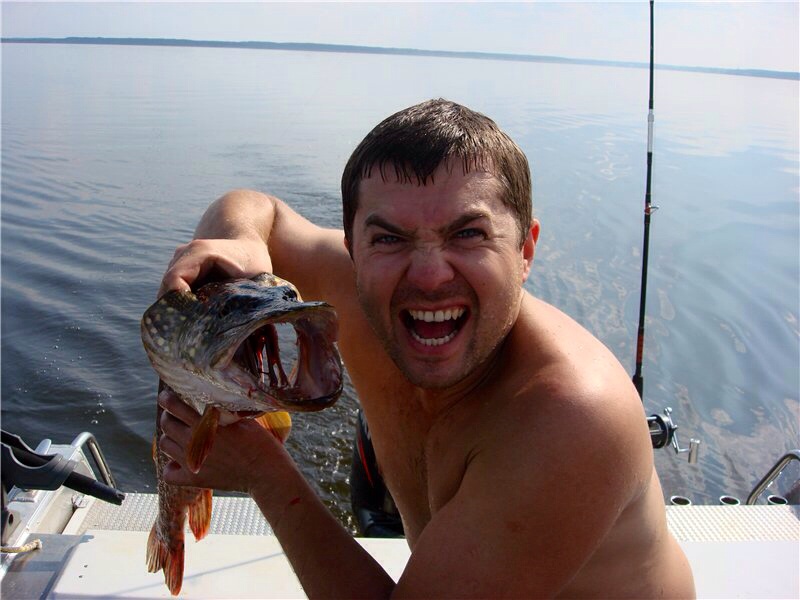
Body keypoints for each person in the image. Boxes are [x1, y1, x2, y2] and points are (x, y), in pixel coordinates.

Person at [157, 98, 695, 598]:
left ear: (526, 250)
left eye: (469, 234)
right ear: (353, 251)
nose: (430, 276)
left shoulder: (571, 417)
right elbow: (255, 207)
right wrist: (241, 240)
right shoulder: (359, 288)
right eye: (389, 238)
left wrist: (265, 473)